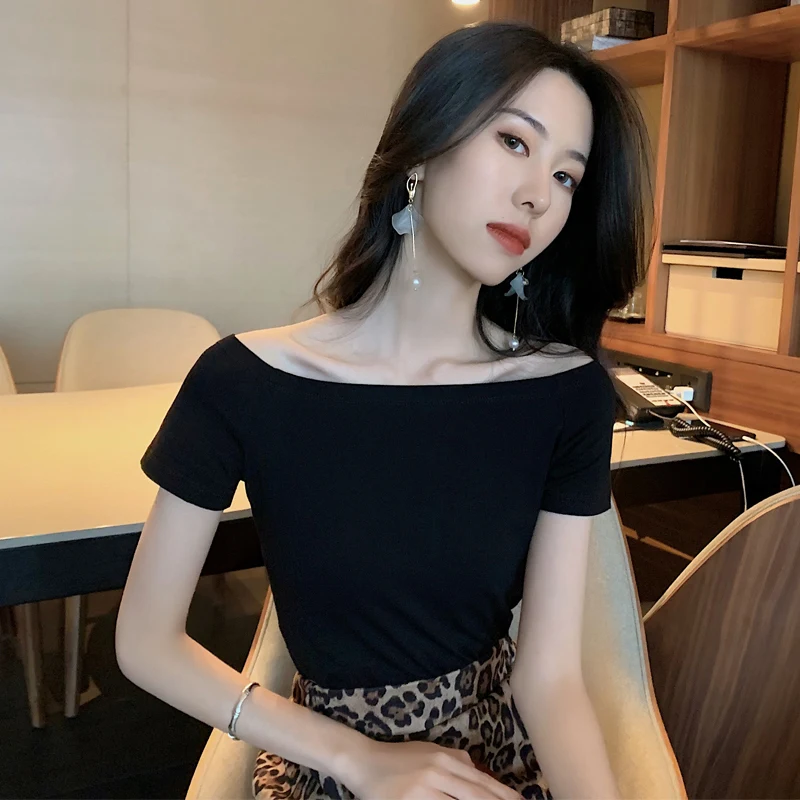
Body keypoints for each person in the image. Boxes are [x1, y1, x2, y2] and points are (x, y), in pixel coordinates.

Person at [115, 19, 652, 800]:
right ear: (424, 146)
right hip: (327, 766)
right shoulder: (242, 382)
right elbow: (145, 641)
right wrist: (355, 758)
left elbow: (550, 679)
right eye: (514, 142)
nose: (538, 195)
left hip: (492, 759)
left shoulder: (564, 394)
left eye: (568, 176)